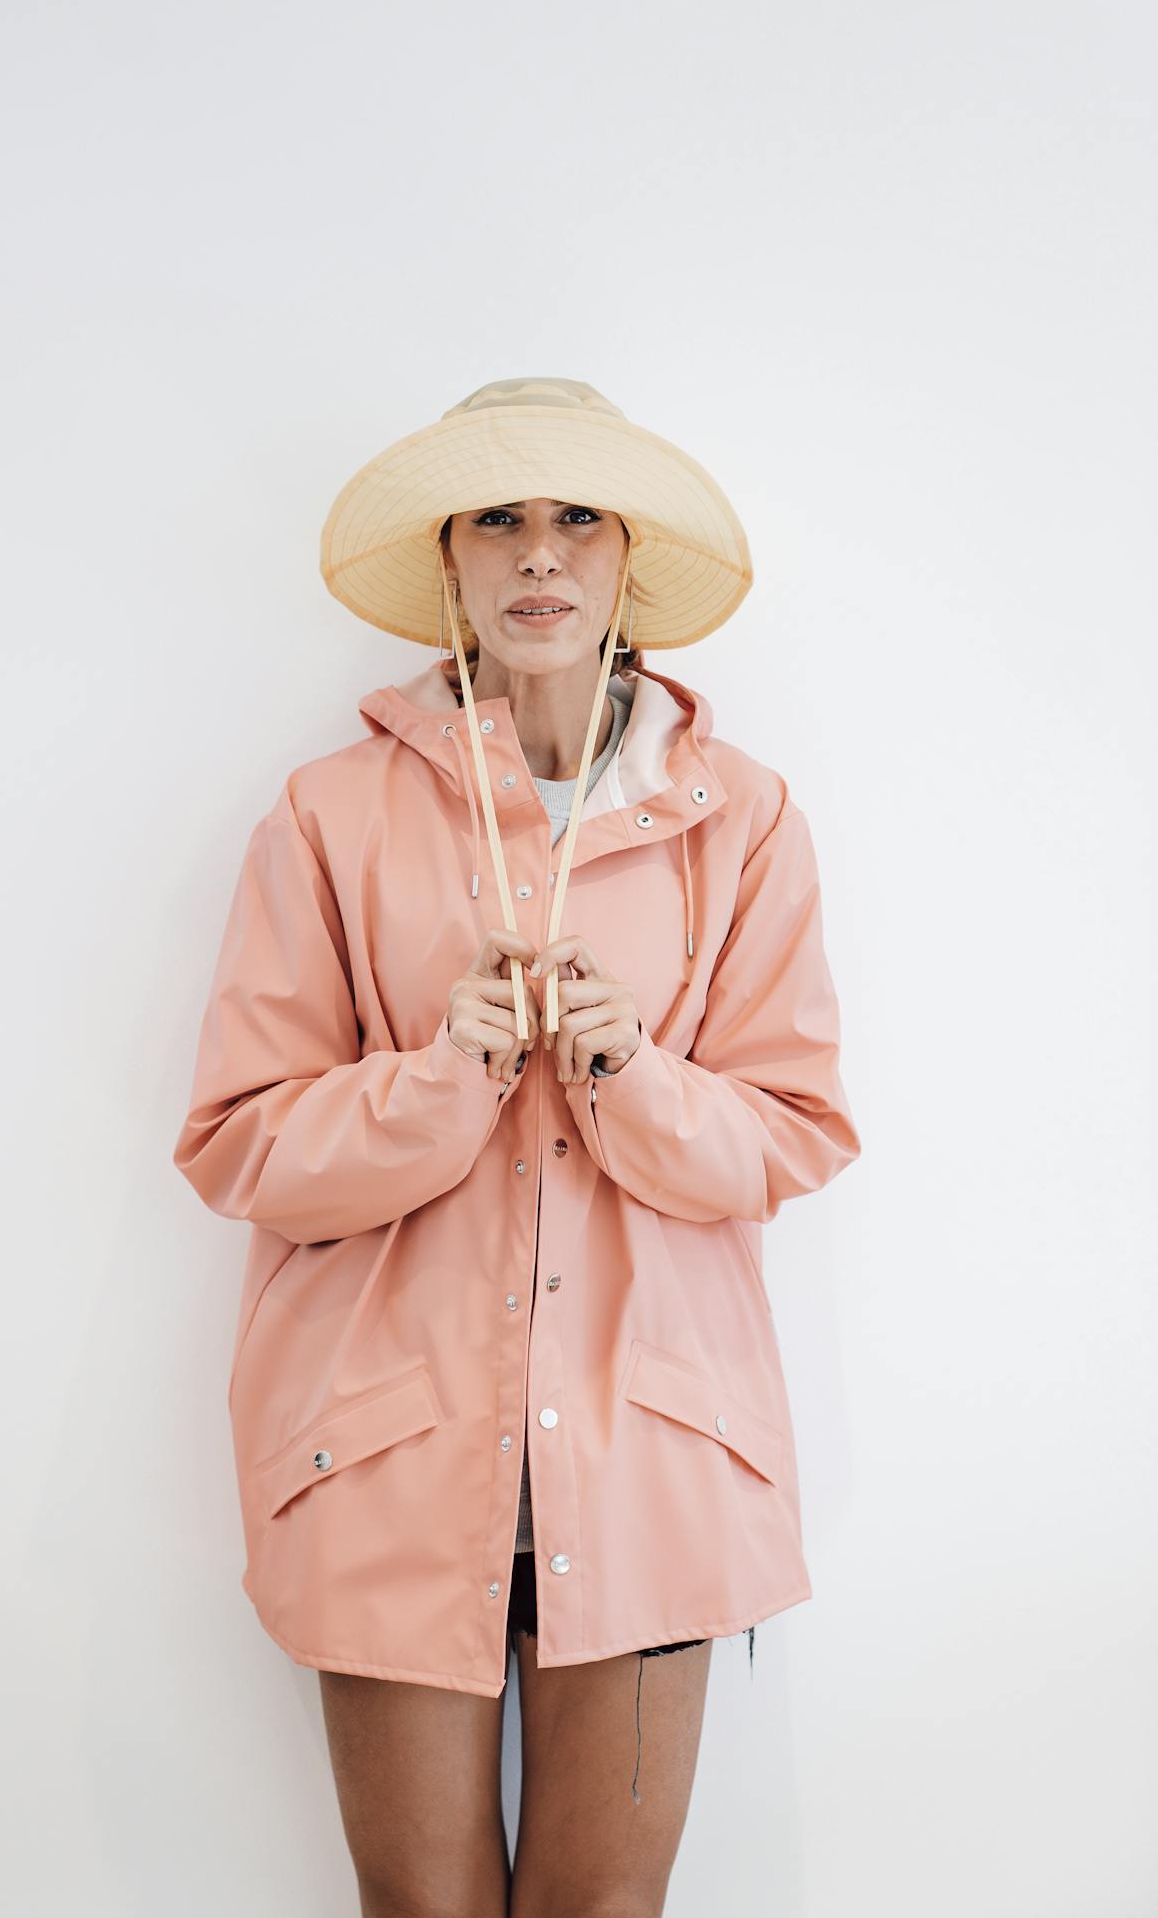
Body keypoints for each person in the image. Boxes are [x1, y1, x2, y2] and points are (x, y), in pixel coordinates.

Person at [172, 376, 861, 1914]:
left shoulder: (737, 820)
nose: (538, 555)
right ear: (453, 561)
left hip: (654, 1446)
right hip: (389, 1445)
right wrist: (438, 1080)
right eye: (499, 519)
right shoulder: (330, 815)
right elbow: (236, 1146)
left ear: (624, 563)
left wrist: (636, 1072)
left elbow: (794, 1130)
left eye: (575, 521)